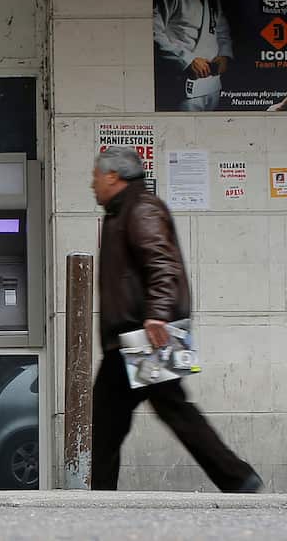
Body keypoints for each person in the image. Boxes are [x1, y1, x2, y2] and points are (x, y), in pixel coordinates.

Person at [89, 146, 261, 492]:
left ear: (112, 176)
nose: (92, 185)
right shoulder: (121, 212)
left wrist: (158, 315)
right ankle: (237, 477)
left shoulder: (141, 209)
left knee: (161, 412)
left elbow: (163, 266)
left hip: (145, 337)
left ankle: (238, 478)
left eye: (95, 178)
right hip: (130, 340)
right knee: (129, 418)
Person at [153, 0, 233, 112]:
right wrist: (187, 60)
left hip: (213, 85)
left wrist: (224, 55)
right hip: (183, 86)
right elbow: (153, 32)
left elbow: (222, 32)